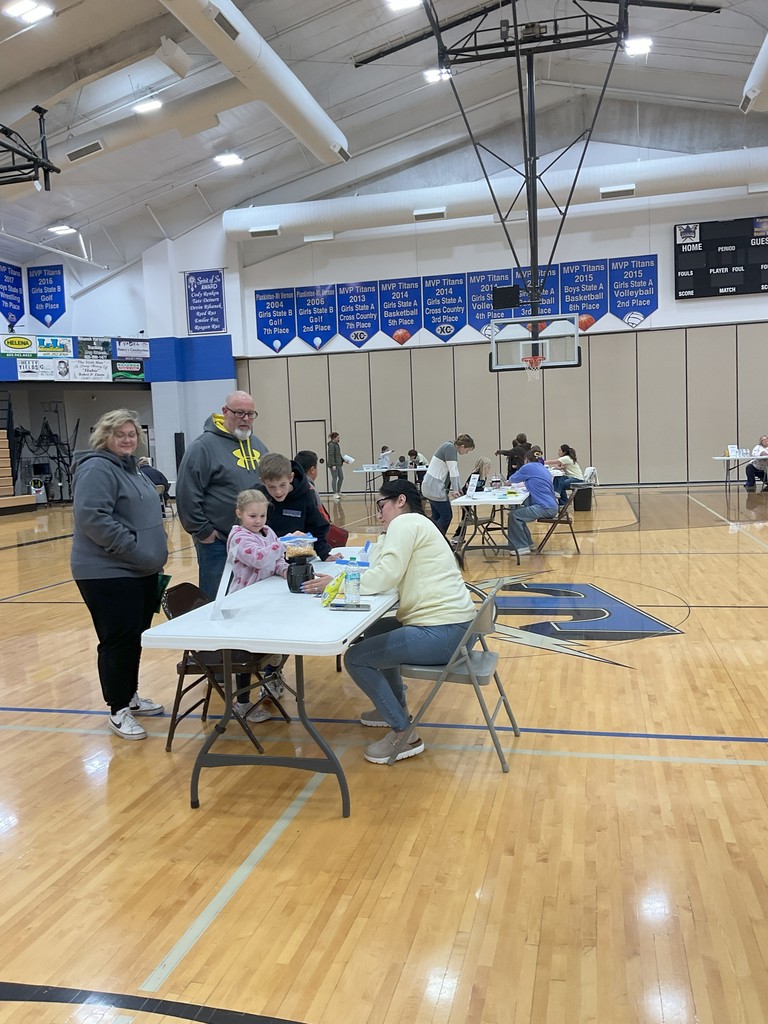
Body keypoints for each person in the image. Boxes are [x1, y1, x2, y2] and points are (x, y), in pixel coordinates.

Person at [303, 479, 475, 765]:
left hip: (443, 633)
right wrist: (384, 536)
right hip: (454, 627)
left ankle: (403, 733)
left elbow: (385, 576)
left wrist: (337, 583)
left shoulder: (405, 524)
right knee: (370, 633)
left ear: (400, 501)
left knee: (357, 657)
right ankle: (393, 709)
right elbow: (379, 565)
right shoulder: (415, 523)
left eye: (381, 506)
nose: (379, 514)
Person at [71, 409, 168, 741]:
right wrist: (134, 549)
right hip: (108, 572)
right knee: (118, 640)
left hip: (139, 570)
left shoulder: (132, 469)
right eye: (120, 434)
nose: (128, 439)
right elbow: (92, 518)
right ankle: (118, 710)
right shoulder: (97, 468)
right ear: (104, 437)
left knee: (133, 637)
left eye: (132, 434)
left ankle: (130, 697)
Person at [176, 390, 269, 599]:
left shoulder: (258, 444)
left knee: (252, 598)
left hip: (254, 540)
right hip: (218, 543)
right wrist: (203, 532)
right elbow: (186, 493)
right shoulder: (203, 447)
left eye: (251, 414)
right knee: (217, 599)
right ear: (225, 412)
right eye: (239, 413)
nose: (246, 419)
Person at [227, 489, 289, 722]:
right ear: (240, 514)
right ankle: (242, 702)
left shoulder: (268, 532)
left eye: (262, 516)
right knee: (245, 651)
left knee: (280, 640)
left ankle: (271, 677)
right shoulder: (239, 537)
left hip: (267, 601)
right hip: (244, 604)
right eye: (252, 516)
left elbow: (276, 562)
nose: (258, 521)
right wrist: (282, 544)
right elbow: (260, 558)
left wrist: (287, 571)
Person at [257, 452, 338, 561]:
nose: (278, 492)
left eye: (282, 485)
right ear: (263, 481)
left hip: (297, 559)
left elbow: (317, 527)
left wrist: (324, 554)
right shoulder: (257, 496)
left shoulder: (306, 496)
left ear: (291, 477)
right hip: (266, 560)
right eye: (271, 487)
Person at [506, 449, 559, 555]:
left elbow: (513, 479)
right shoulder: (543, 468)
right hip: (551, 505)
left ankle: (521, 547)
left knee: (514, 516)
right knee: (520, 513)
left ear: (526, 459)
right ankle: (528, 543)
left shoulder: (528, 467)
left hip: (544, 507)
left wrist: (508, 482)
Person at [421, 433, 475, 535]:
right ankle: (437, 540)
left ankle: (430, 540)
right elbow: (453, 470)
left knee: (437, 517)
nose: (466, 453)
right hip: (434, 487)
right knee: (446, 516)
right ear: (462, 446)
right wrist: (455, 489)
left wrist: (458, 488)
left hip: (430, 486)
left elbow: (455, 471)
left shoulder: (448, 446)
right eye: (467, 450)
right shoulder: (450, 448)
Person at [326, 431, 344, 500]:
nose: (338, 438)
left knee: (341, 477)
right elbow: (331, 455)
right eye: (337, 437)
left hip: (339, 464)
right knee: (334, 478)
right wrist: (333, 464)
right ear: (334, 438)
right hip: (334, 465)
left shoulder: (336, 444)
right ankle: (334, 493)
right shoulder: (331, 445)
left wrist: (343, 460)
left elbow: (338, 454)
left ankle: (338, 491)